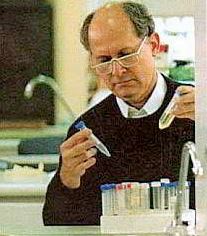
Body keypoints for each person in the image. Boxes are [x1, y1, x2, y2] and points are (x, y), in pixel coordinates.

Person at [43, 1, 195, 225]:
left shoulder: (196, 109)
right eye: (104, 60)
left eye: (126, 55)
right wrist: (67, 181)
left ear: (154, 45)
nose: (117, 71)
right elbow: (56, 223)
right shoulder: (88, 130)